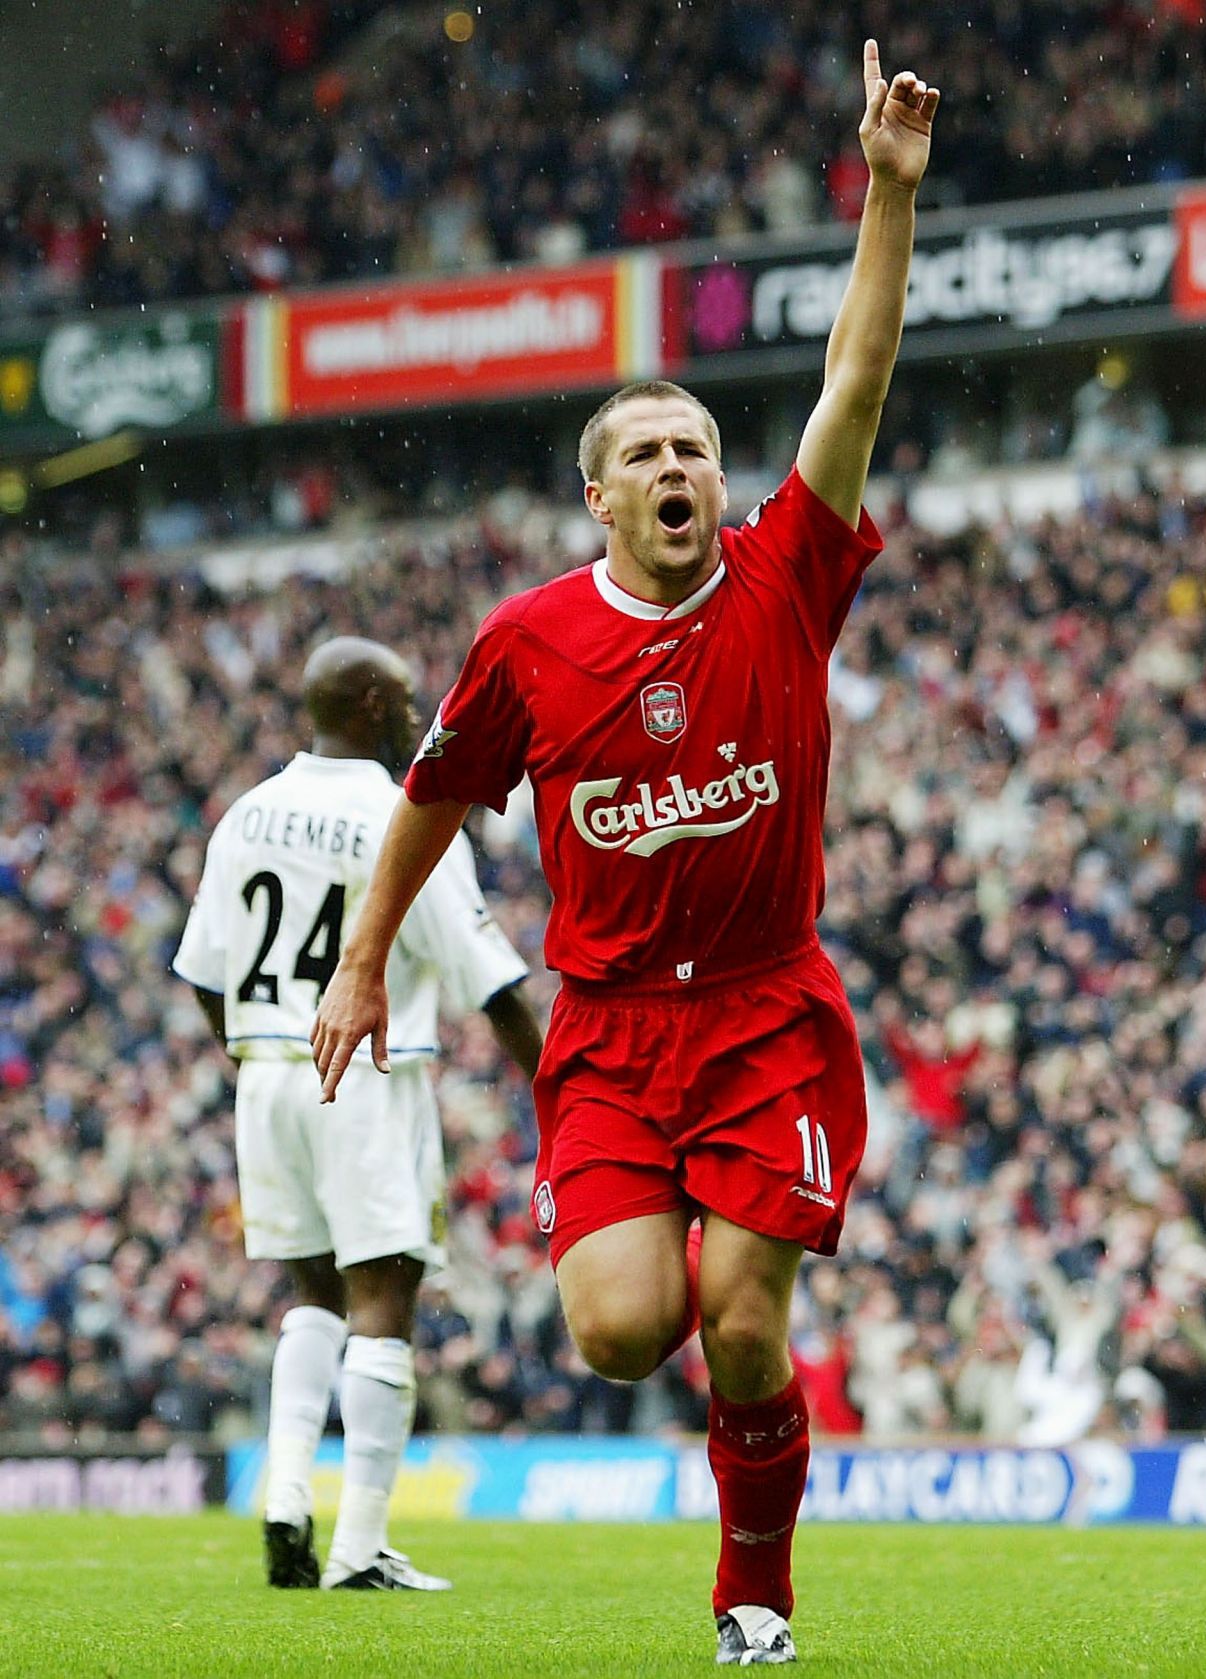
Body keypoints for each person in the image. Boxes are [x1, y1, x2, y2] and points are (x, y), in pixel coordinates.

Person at [311, 41, 938, 1666]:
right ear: (597, 496)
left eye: (694, 446)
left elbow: (855, 382)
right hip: (604, 1031)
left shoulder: (787, 574)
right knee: (615, 1332)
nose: (679, 465)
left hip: (764, 1009)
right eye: (645, 452)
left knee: (741, 1321)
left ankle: (756, 1599)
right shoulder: (526, 644)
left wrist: (890, 190)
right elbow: (436, 798)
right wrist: (369, 955)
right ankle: (713, 1371)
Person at [173, 637, 543, 1590]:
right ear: (374, 703)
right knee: (385, 1296)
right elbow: (494, 982)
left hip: (266, 1071)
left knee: (312, 1295)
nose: (422, 710)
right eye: (410, 697)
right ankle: (359, 1544)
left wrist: (260, 1053)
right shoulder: (402, 815)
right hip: (368, 1073)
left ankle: (284, 1495)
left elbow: (204, 974)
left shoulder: (246, 813)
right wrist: (561, 1090)